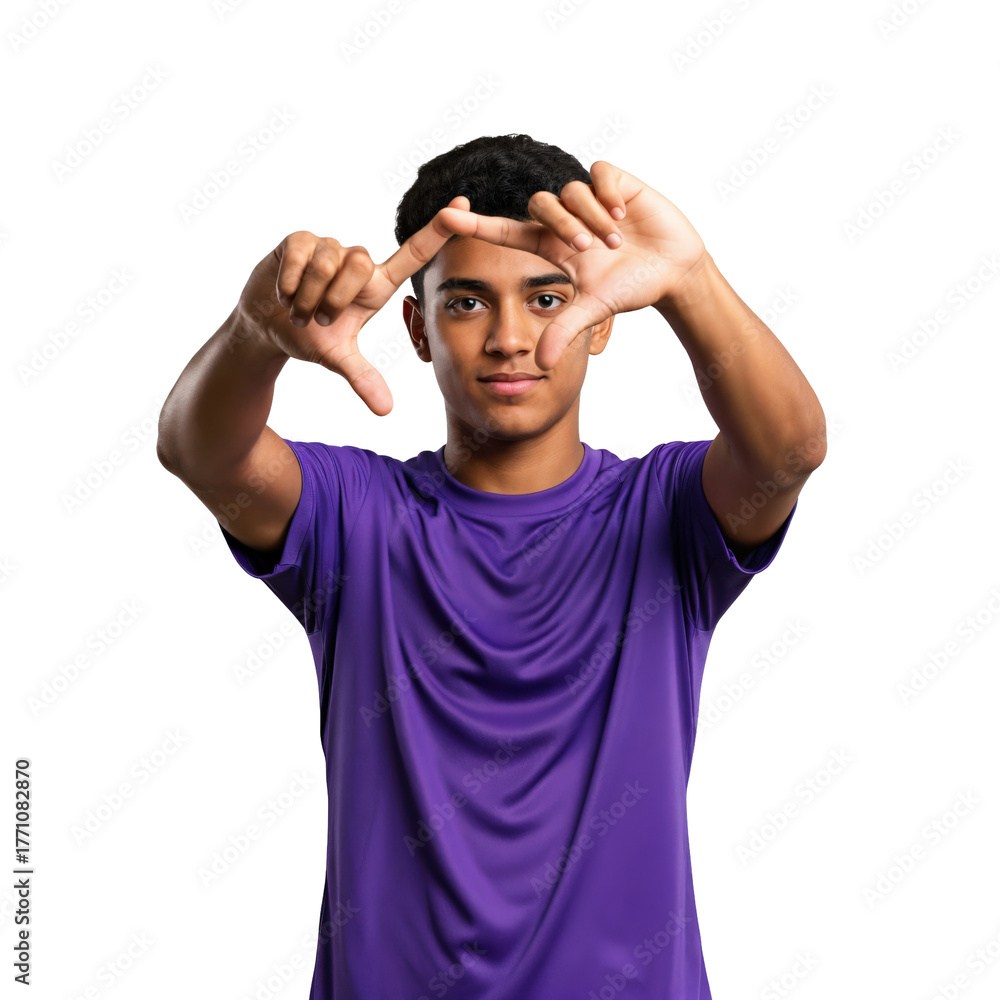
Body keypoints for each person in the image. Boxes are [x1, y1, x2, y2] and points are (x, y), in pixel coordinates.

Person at [157, 133, 826, 999]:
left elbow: (788, 451)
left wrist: (690, 281)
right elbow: (201, 452)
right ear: (418, 326)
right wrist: (256, 334)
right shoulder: (355, 518)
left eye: (549, 298)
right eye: (468, 302)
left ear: (604, 321)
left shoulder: (663, 514)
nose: (512, 337)